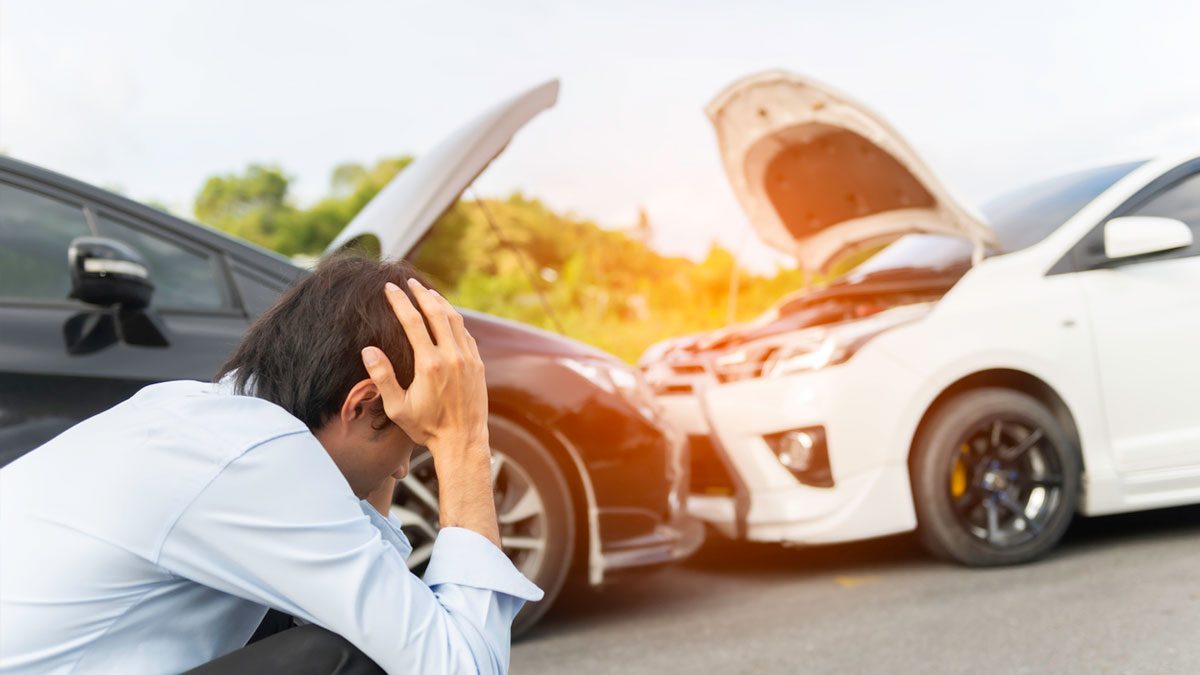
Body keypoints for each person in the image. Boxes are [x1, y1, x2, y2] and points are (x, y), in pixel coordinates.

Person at [0, 254, 542, 674]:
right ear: (361, 404)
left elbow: (376, 592)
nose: (403, 471)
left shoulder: (197, 413)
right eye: (412, 442)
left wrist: (380, 447)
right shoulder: (259, 458)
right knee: (357, 660)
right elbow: (460, 664)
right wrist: (463, 440)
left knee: (337, 623)